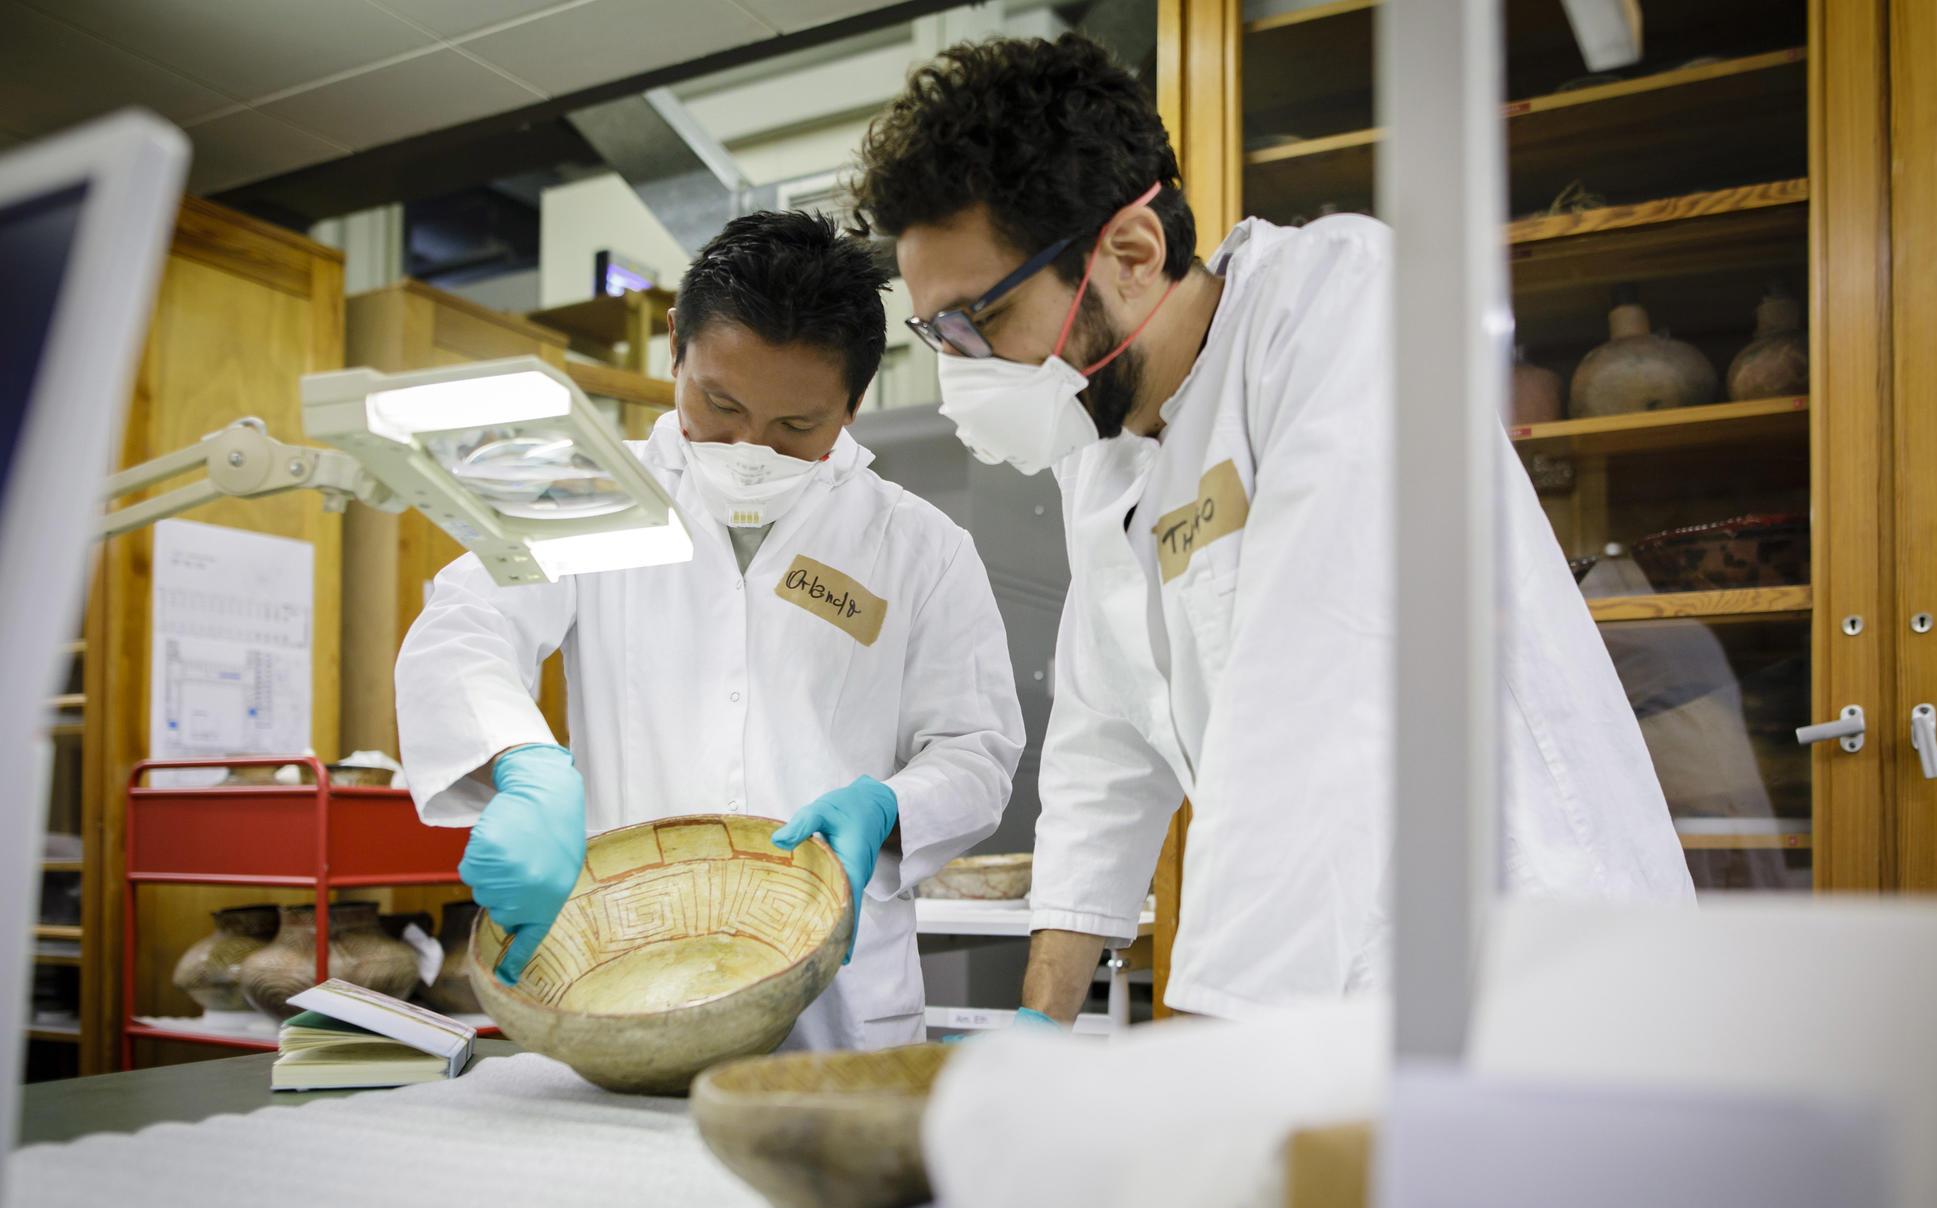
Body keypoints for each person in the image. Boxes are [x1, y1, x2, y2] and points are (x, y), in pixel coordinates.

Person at [852, 34, 1693, 1026]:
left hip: (1529, 965)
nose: (960, 366)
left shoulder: (1334, 304)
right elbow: (1103, 742)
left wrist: (1203, 1057)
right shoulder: (1104, 447)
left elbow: (1310, 700)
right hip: (1335, 989)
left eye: (975, 320)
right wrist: (1044, 1014)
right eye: (934, 334)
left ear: (1129, 254)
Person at [395, 211, 1025, 1050]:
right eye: (719, 403)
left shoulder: (918, 547)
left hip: (833, 1007)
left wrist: (890, 806)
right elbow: (465, 623)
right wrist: (524, 764)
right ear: (674, 348)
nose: (748, 448)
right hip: (626, 971)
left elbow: (977, 747)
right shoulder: (588, 491)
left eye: (797, 426)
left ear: (855, 400)